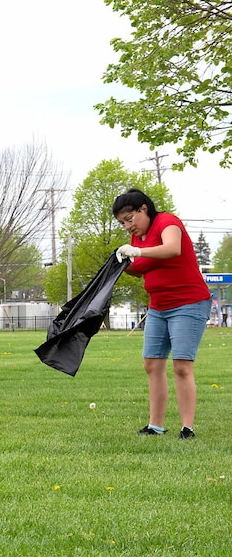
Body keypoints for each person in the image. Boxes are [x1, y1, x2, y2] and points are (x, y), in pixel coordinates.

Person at [113, 188, 212, 439]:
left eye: (129, 218)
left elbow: (171, 249)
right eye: (122, 223)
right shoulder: (138, 239)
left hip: (188, 303)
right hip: (158, 306)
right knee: (152, 364)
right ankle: (155, 426)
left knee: (181, 366)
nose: (127, 226)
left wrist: (138, 252)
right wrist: (121, 262)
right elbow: (139, 268)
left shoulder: (167, 222)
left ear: (143, 209)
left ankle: (187, 428)